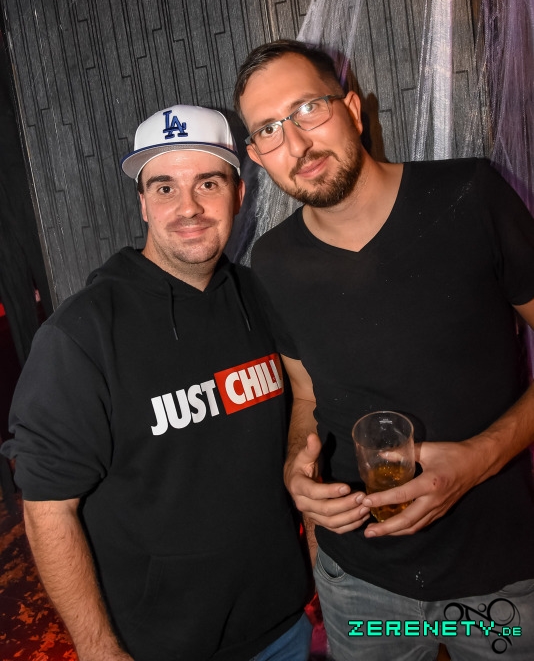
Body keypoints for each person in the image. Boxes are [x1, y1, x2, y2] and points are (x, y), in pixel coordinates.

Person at [233, 39, 534, 660]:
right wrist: (296, 468)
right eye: (268, 129)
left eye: (308, 109)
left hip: (499, 581)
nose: (296, 143)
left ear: (352, 108)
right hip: (362, 590)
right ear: (257, 156)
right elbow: (307, 394)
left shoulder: (470, 194)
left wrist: (479, 459)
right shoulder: (273, 261)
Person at [2, 104, 312, 661]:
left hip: (282, 624)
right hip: (159, 646)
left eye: (208, 183)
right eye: (165, 188)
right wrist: (98, 649)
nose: (188, 207)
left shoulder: (260, 296)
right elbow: (48, 508)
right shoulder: (82, 335)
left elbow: (305, 400)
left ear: (239, 195)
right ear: (143, 204)